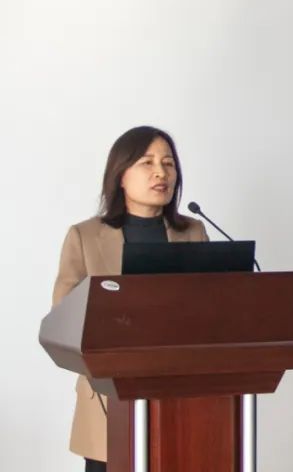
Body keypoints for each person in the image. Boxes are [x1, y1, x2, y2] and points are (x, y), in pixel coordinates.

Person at [51, 126, 209, 471]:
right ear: (120, 175)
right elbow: (62, 320)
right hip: (110, 399)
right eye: (147, 162)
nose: (161, 172)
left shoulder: (193, 232)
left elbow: (210, 309)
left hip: (179, 397)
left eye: (168, 163)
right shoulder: (85, 236)